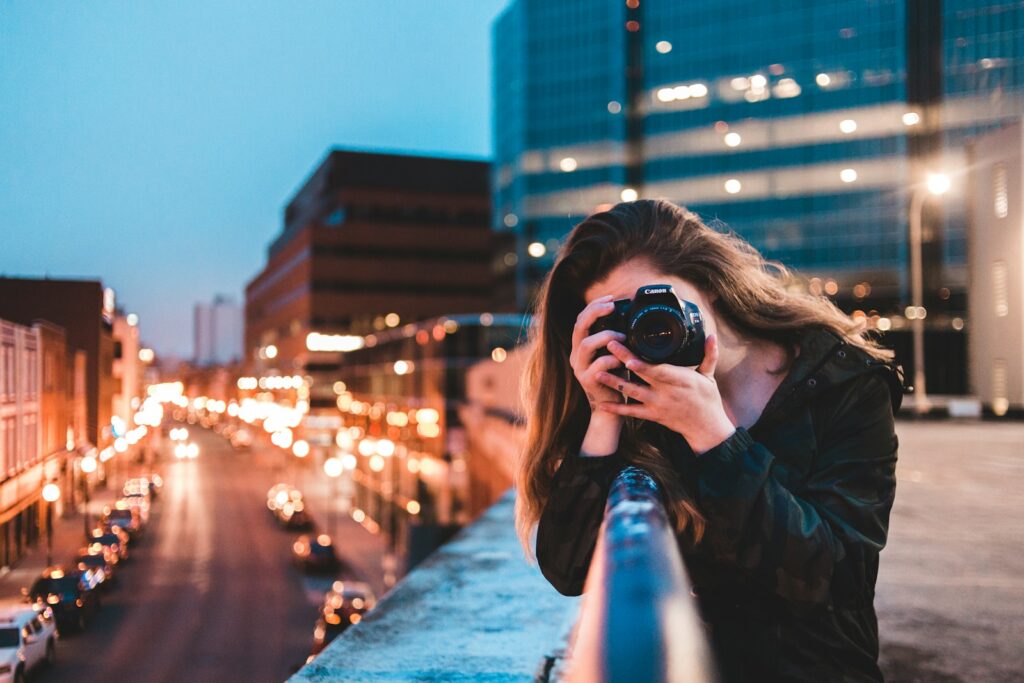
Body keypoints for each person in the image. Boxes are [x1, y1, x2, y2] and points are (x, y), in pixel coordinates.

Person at [517, 199, 903, 681]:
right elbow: (569, 570)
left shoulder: (843, 382)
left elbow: (837, 574)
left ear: (713, 286)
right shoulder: (633, 398)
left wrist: (713, 436)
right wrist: (603, 413)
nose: (648, 328)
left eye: (658, 304)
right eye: (623, 317)